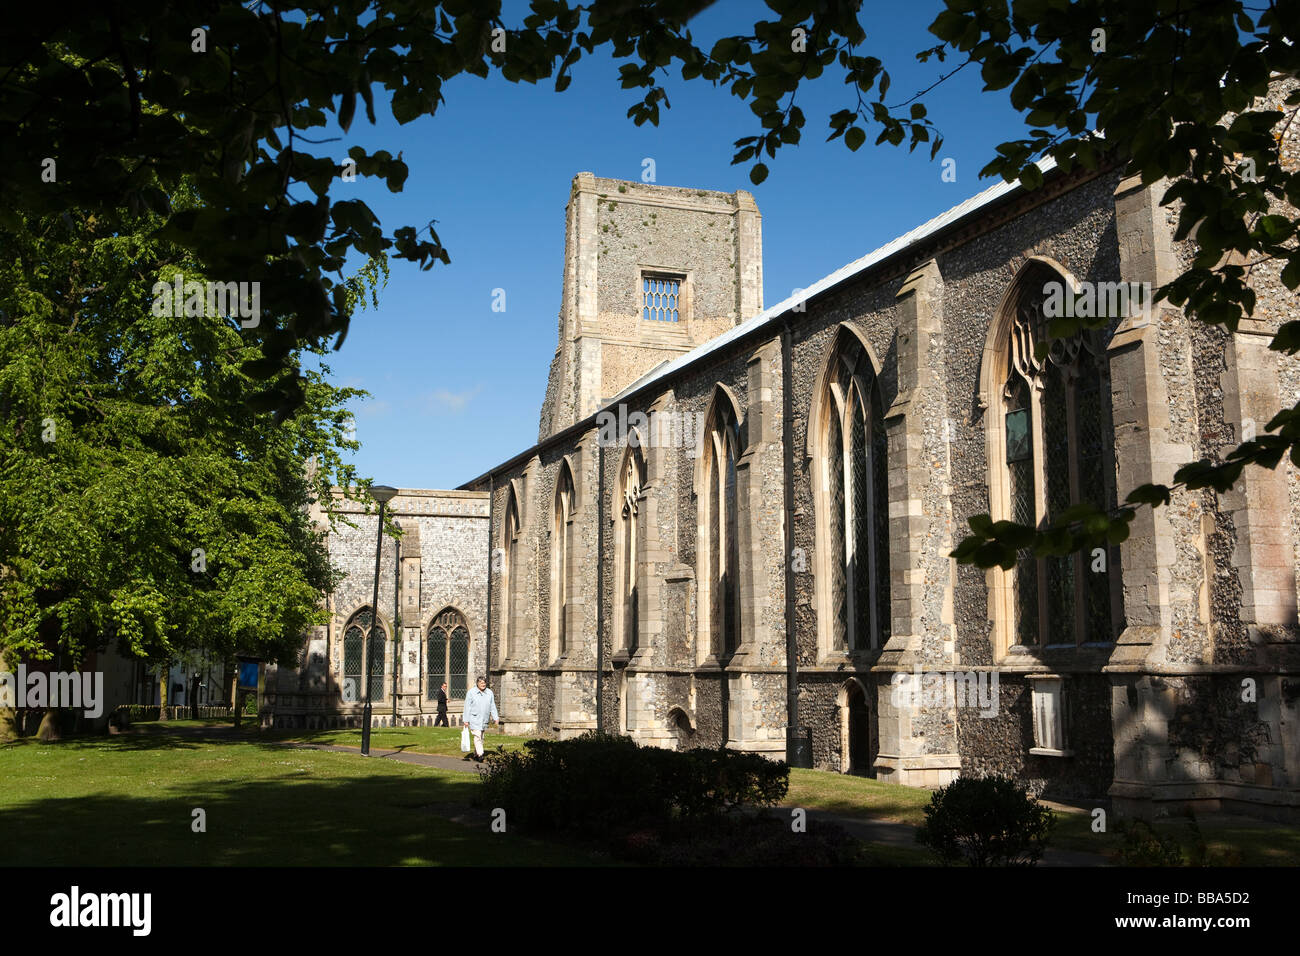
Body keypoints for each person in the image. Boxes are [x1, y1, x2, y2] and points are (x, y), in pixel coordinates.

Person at [461, 676, 499, 762]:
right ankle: (480, 754)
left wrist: (495, 717)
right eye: (481, 683)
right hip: (474, 718)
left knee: (481, 737)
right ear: (477, 683)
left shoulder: (489, 693)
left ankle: (475, 754)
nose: (483, 684)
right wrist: (466, 720)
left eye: (484, 683)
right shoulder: (471, 692)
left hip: (484, 719)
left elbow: (492, 706)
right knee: (477, 736)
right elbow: (467, 707)